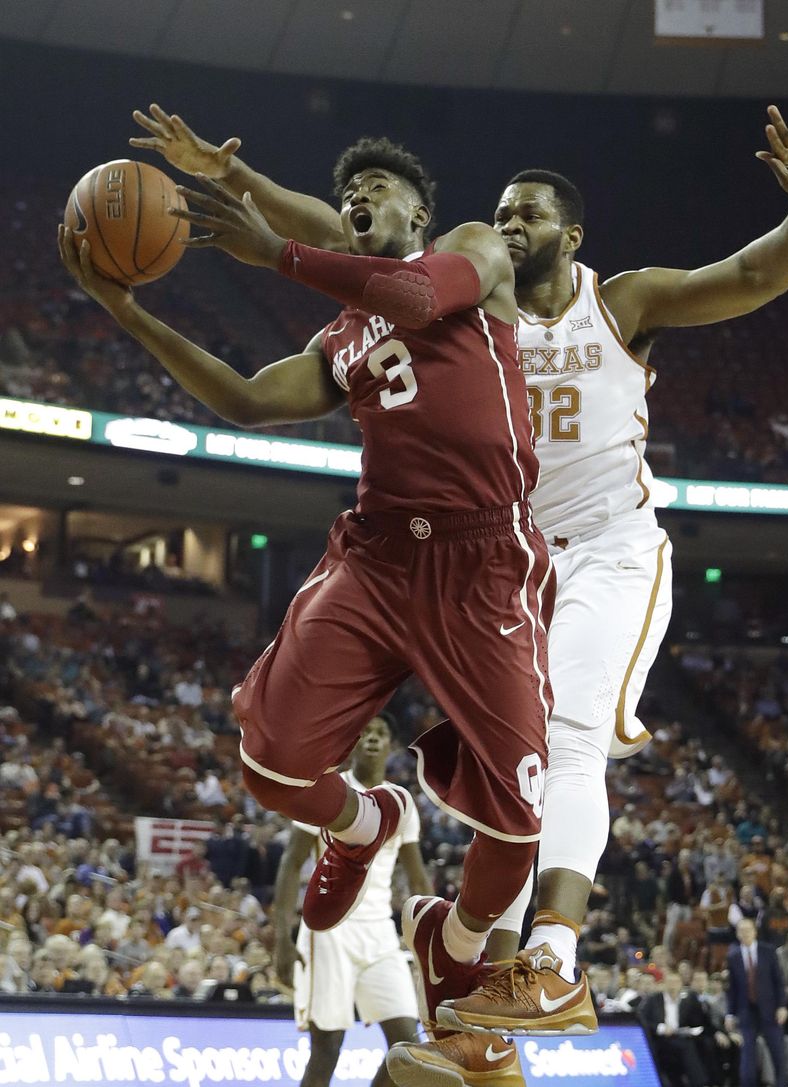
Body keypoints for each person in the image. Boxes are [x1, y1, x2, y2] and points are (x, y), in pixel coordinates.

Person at [127, 98, 788, 1058]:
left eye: (529, 211)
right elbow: (340, 231)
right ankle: (466, 976)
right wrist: (231, 175)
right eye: (501, 209)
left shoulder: (611, 300)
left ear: (570, 235)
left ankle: (551, 954)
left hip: (606, 549)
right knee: (501, 797)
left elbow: (751, 274)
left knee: (569, 746)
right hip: (508, 564)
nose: (509, 221)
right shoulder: (446, 292)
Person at [64, 121, 555, 1076]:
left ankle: (449, 945)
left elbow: (409, 292)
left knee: (520, 826)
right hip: (377, 559)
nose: (363, 199)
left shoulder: (471, 250)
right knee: (269, 766)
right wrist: (126, 312)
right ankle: (362, 822)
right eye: (351, 192)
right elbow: (248, 400)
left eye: (378, 186)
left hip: (484, 560)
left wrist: (275, 243)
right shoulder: (338, 335)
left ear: (418, 207)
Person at [273, 715, 431, 1087]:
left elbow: (418, 877)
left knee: (408, 1046)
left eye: (382, 733)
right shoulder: (327, 790)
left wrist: (429, 939)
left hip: (380, 933)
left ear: (391, 747)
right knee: (327, 1049)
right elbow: (291, 863)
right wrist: (281, 937)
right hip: (330, 930)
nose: (374, 739)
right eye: (366, 733)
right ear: (353, 743)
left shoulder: (402, 803)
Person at [726, 918, 788, 1087]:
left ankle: (782, 1084)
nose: (745, 933)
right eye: (742, 930)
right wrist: (730, 1013)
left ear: (754, 932)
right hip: (746, 1011)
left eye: (748, 930)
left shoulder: (768, 951)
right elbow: (732, 988)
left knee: (777, 1052)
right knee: (747, 1054)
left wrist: (782, 1006)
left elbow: (779, 981)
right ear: (738, 934)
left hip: (770, 1009)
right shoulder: (733, 956)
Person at [638, 971, 710, 1087]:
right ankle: (699, 1083)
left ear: (681, 984)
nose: (673, 985)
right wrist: (660, 1028)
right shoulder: (654, 999)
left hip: (681, 1035)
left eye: (676, 982)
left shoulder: (687, 1000)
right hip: (659, 1038)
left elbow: (698, 1020)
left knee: (700, 1044)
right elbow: (642, 1019)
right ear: (664, 984)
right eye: (670, 982)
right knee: (685, 1047)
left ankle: (703, 1081)